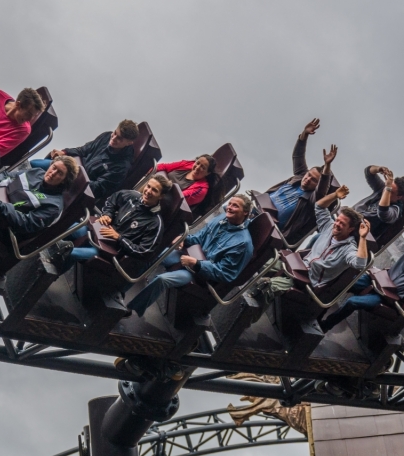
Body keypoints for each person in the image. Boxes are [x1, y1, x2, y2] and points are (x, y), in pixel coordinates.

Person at [319, 196, 404, 332]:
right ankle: (317, 313)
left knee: (352, 302)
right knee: (341, 279)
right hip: (378, 280)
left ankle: (325, 326)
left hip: (388, 298)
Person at [126, 195, 255, 317]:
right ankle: (124, 288)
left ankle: (131, 309)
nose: (229, 208)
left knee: (162, 280)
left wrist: (197, 264)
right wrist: (184, 239)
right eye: (230, 204)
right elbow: (199, 237)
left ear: (245, 213)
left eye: (235, 206)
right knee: (155, 254)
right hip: (188, 256)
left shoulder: (243, 244)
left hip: (200, 275)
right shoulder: (220, 219)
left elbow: (226, 273)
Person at [51, 173, 171, 271]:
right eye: (148, 186)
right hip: (96, 231)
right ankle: (41, 249)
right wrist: (107, 214)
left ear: (161, 196)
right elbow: (113, 200)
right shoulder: (132, 196)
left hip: (108, 250)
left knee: (70, 253)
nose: (148, 191)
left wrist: (119, 238)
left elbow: (144, 252)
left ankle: (50, 274)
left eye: (154, 190)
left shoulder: (155, 223)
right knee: (68, 228)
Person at [33, 120, 139, 200]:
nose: (113, 138)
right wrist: (65, 152)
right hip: (72, 170)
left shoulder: (121, 168)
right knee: (35, 164)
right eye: (115, 133)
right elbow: (84, 150)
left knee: (46, 181)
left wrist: (72, 177)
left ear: (129, 143)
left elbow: (97, 189)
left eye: (119, 138)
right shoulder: (107, 136)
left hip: (78, 187)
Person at [262, 118, 333, 228]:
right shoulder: (300, 176)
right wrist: (305, 134)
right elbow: (298, 155)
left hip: (270, 225)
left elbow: (323, 188)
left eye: (314, 180)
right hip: (260, 206)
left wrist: (327, 166)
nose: (308, 179)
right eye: (309, 175)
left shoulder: (312, 198)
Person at [301, 186, 370, 291]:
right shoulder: (329, 227)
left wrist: (363, 237)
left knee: (270, 284)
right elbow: (319, 206)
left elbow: (360, 264)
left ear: (350, 229)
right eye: (337, 220)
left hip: (309, 280)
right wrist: (335, 195)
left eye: (342, 224)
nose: (336, 224)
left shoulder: (348, 249)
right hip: (301, 266)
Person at [354, 166, 404, 236]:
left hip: (358, 231)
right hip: (351, 215)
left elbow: (383, 213)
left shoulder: (395, 210)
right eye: (386, 187)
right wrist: (379, 169)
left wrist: (388, 187)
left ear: (399, 197)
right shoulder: (382, 188)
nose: (385, 191)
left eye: (391, 191)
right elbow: (368, 173)